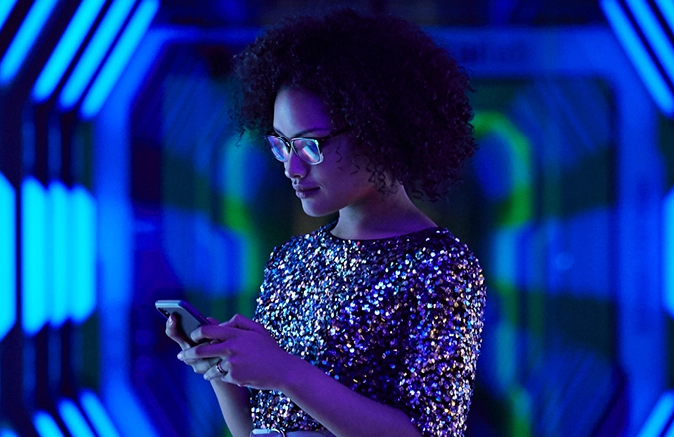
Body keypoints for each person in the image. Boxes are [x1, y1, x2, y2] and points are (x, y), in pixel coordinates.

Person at [163, 8, 486, 437]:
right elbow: (260, 431)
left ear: (378, 130)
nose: (292, 168)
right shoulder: (290, 261)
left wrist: (285, 372)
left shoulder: (443, 267)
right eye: (281, 145)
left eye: (310, 145)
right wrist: (225, 374)